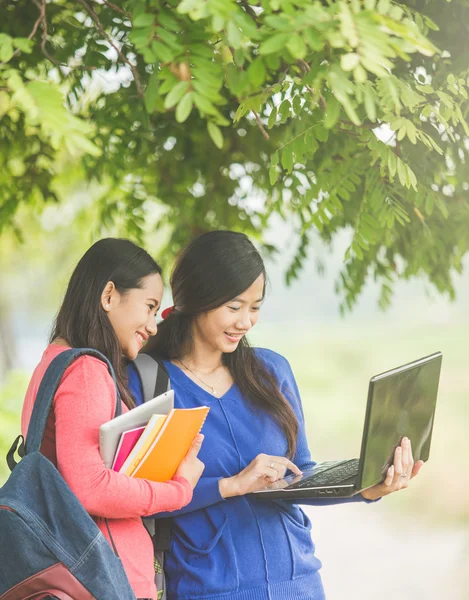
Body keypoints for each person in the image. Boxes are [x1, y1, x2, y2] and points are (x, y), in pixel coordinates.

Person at [128, 230, 423, 600]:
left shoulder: (271, 371)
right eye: (234, 307)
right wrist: (230, 485)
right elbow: (140, 498)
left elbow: (300, 473)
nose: (246, 322)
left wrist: (369, 487)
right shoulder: (149, 384)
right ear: (194, 300)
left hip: (298, 584)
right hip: (207, 589)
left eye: (255, 307)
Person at [21, 238, 205, 600]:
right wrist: (179, 489)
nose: (153, 326)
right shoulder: (87, 370)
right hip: (105, 579)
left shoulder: (52, 361)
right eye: (149, 307)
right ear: (109, 295)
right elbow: (91, 487)